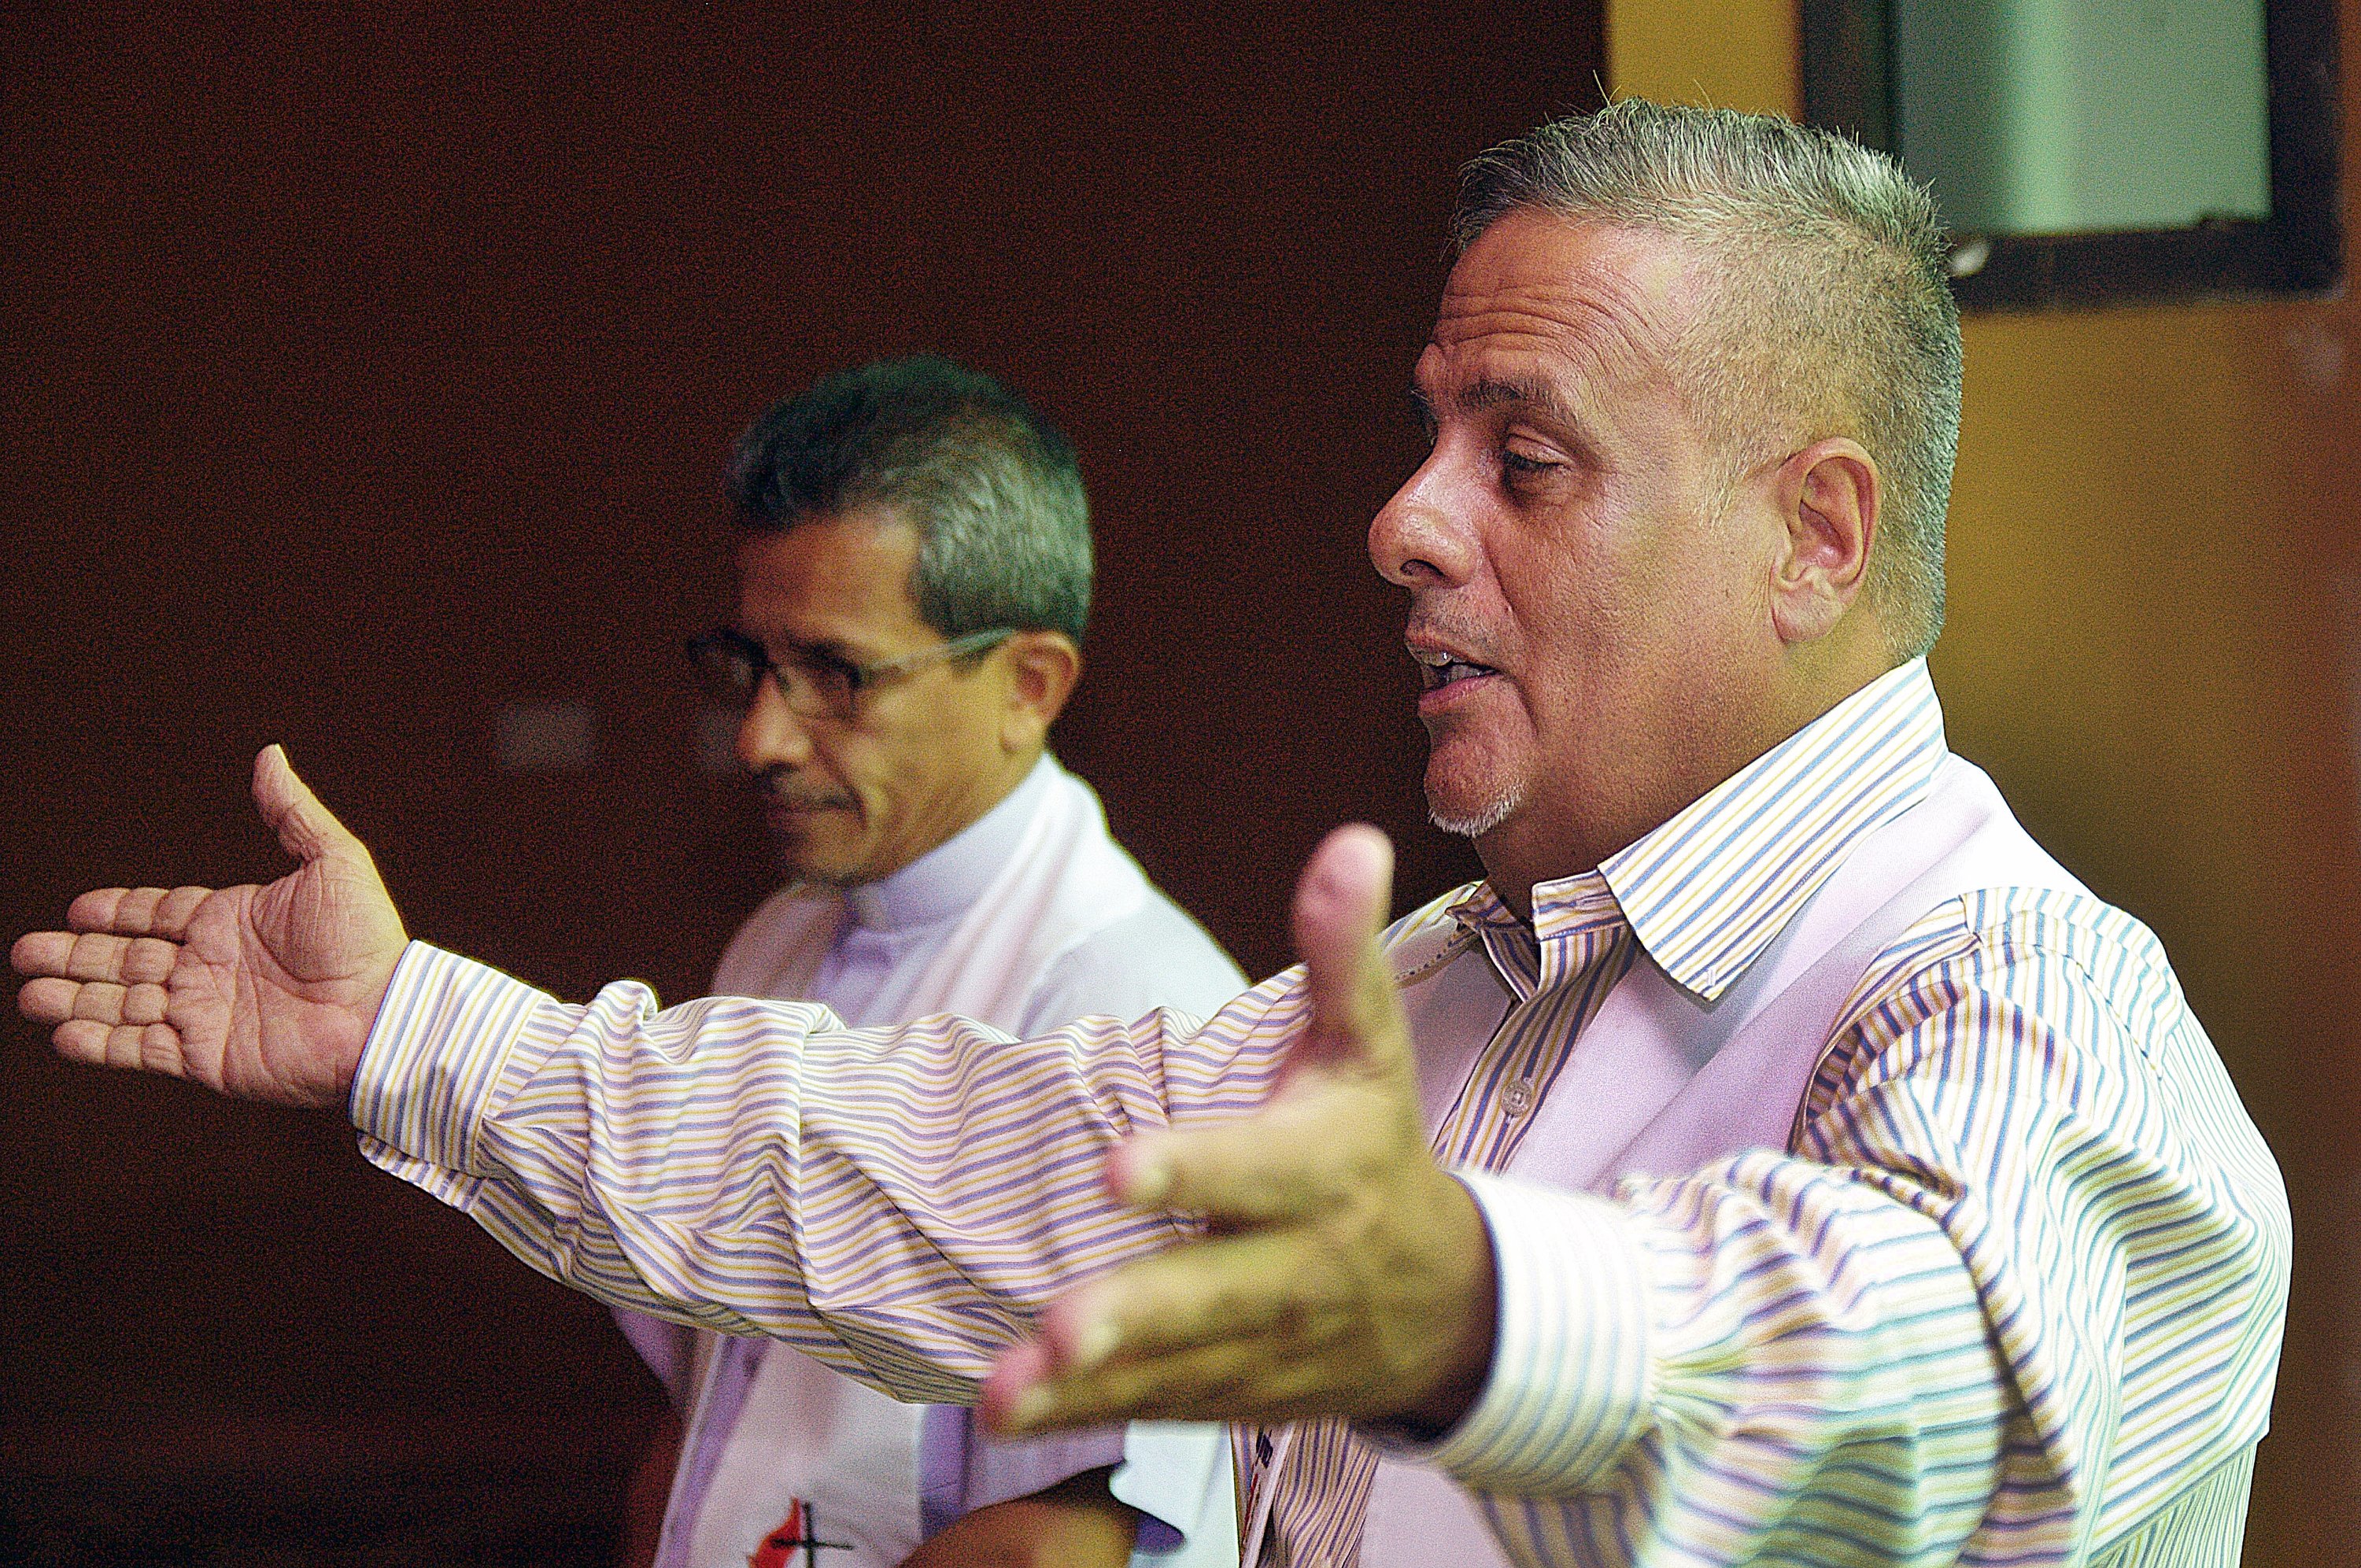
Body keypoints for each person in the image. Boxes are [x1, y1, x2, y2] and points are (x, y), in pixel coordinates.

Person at [16, 101, 2289, 1568]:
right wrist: (411, 1029)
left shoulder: (2017, 985)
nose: (1399, 522)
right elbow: (904, 1160)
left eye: (1526, 455)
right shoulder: (1441, 993)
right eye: (1426, 434)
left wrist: (1474, 1307)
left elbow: (1936, 1386)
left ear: (1815, 536)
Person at [626, 356, 1250, 1568]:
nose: (760, 736)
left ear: (1027, 684)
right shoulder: (778, 937)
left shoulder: (1135, 1016)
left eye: (836, 675)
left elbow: (1060, 1545)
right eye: (750, 663)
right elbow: (700, 1414)